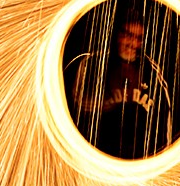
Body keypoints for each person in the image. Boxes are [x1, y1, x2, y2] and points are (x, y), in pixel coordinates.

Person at [66, 9, 173, 159]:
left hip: (137, 161)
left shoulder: (152, 73)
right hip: (93, 157)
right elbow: (72, 108)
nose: (132, 43)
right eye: (128, 35)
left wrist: (162, 159)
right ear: (117, 33)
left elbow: (164, 119)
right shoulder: (92, 64)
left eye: (138, 38)